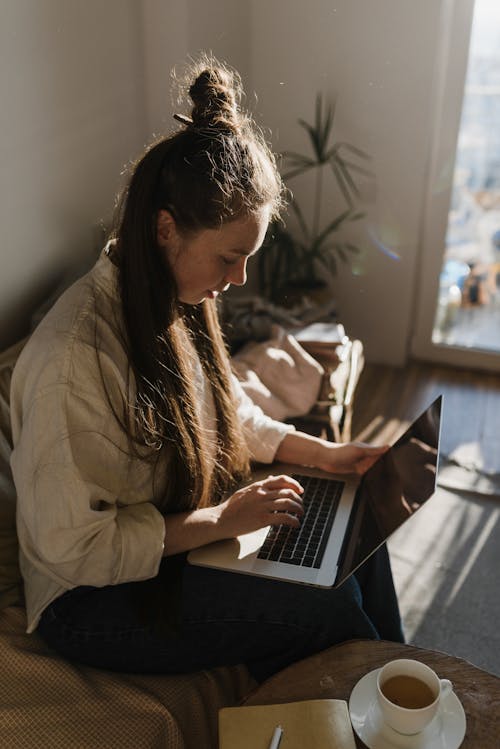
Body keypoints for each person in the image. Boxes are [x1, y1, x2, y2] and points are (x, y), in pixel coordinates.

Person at [10, 57, 403, 682]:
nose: (239, 279)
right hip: (92, 598)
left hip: (168, 533)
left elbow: (223, 411)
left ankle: (405, 683)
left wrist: (320, 453)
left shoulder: (173, 296)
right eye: (229, 257)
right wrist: (222, 521)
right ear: (166, 229)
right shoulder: (74, 360)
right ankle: (378, 704)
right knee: (330, 605)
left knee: (357, 520)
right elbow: (76, 550)